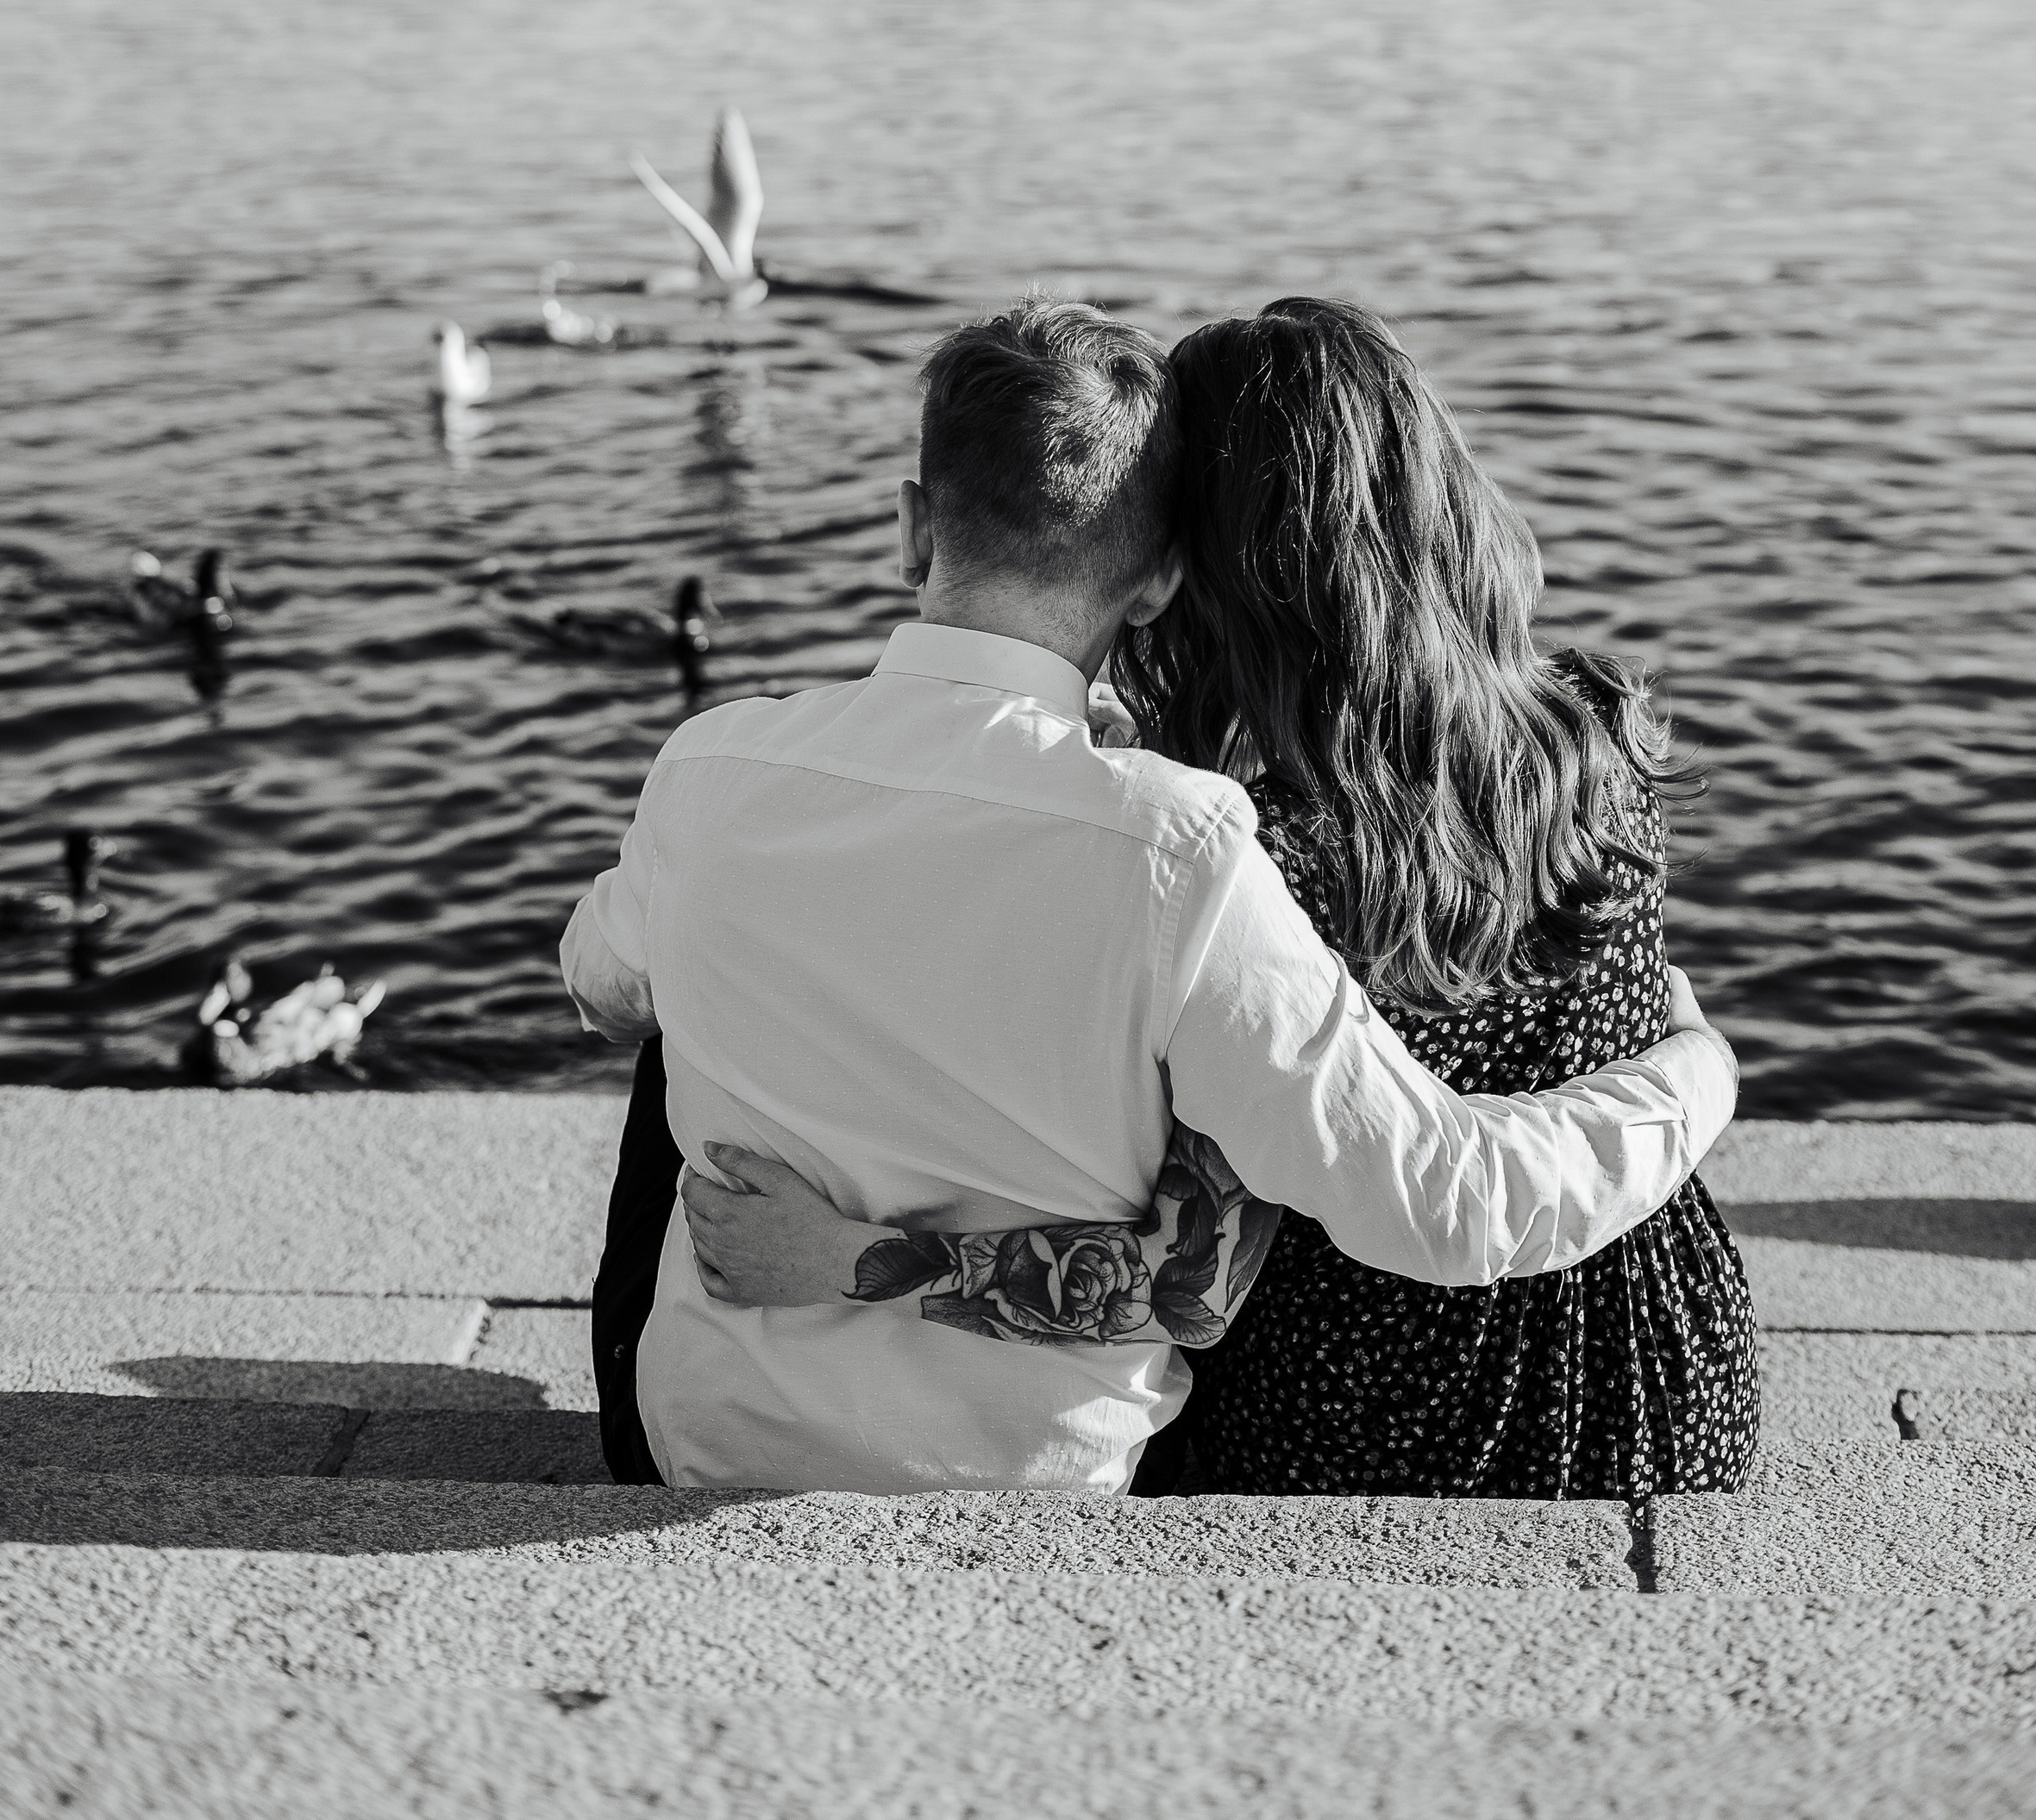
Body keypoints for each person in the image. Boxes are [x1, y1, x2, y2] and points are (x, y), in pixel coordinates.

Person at [561, 297, 1740, 1498]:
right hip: (1643, 1350)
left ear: (913, 526)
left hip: (1361, 1410)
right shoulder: (1581, 733)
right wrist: (1697, 1066)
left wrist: (851, 1247)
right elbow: (1423, 1194)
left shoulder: (716, 762)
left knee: (686, 971)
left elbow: (1204, 1277)